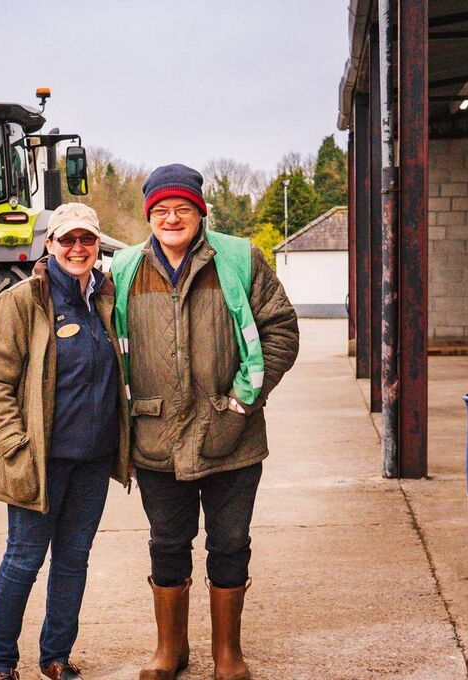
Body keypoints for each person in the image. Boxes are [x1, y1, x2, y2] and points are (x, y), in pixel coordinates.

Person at [108, 165, 299, 680]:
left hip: (230, 435)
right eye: (162, 210)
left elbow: (280, 329)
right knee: (167, 544)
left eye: (183, 209)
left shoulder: (238, 259)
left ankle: (227, 655)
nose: (172, 218)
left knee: (230, 542)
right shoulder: (123, 270)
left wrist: (241, 404)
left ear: (200, 213)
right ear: (149, 215)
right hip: (156, 438)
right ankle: (170, 650)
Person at [0, 203, 131, 680]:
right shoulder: (22, 301)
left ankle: (56, 657)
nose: (77, 248)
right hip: (40, 459)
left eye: (86, 240)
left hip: (92, 460)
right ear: (49, 245)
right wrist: (15, 443)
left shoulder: (106, 299)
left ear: (97, 245)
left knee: (73, 561)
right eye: (67, 240)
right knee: (23, 560)